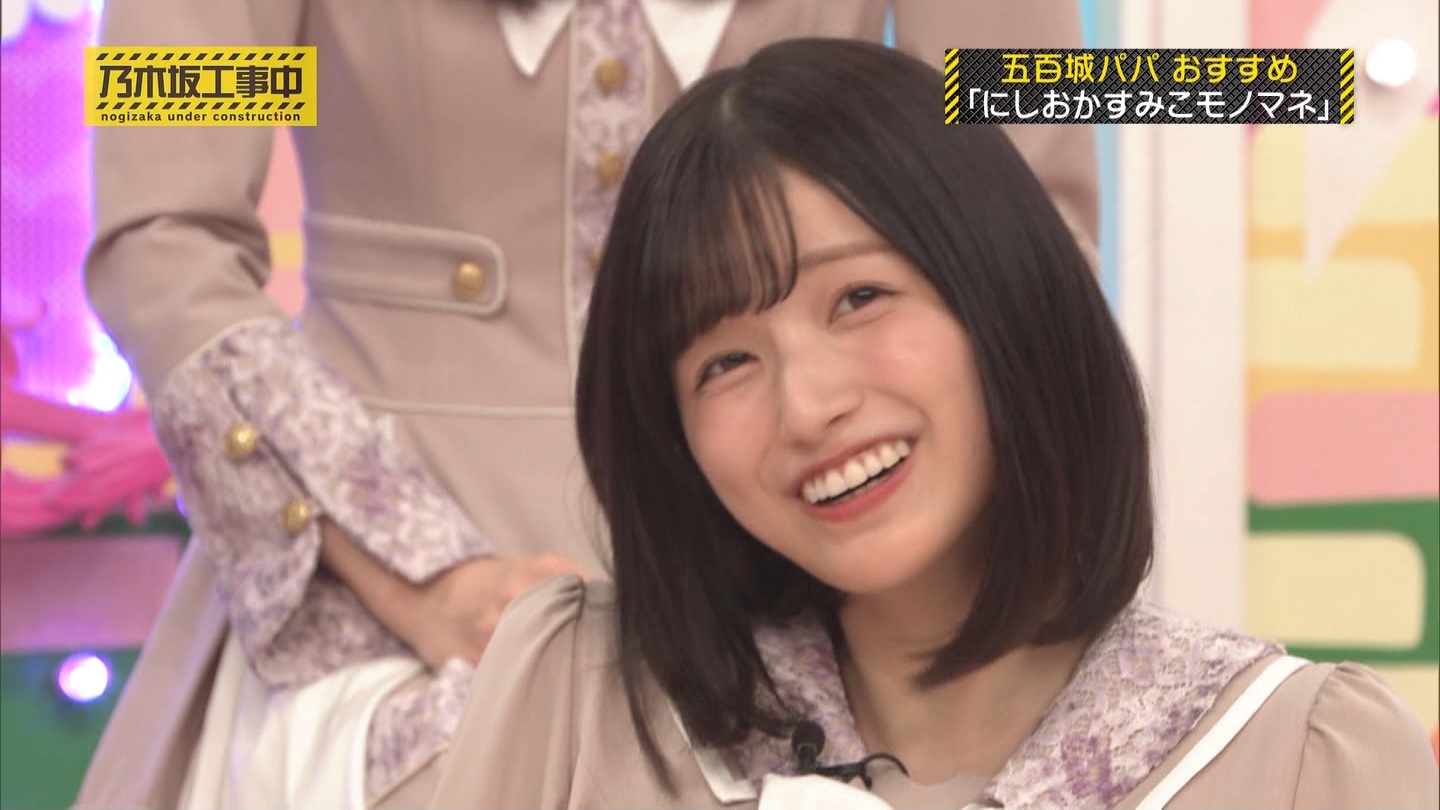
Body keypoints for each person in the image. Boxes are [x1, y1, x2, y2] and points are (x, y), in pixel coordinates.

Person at [73, 2, 1100, 809]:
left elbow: (1023, 206)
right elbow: (163, 235)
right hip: (377, 587)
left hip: (794, 559)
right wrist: (420, 573)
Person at [426, 38, 1440, 810]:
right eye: (724, 362)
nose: (807, 406)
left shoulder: (1302, 761)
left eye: (858, 298)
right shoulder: (576, 696)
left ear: (1004, 294)